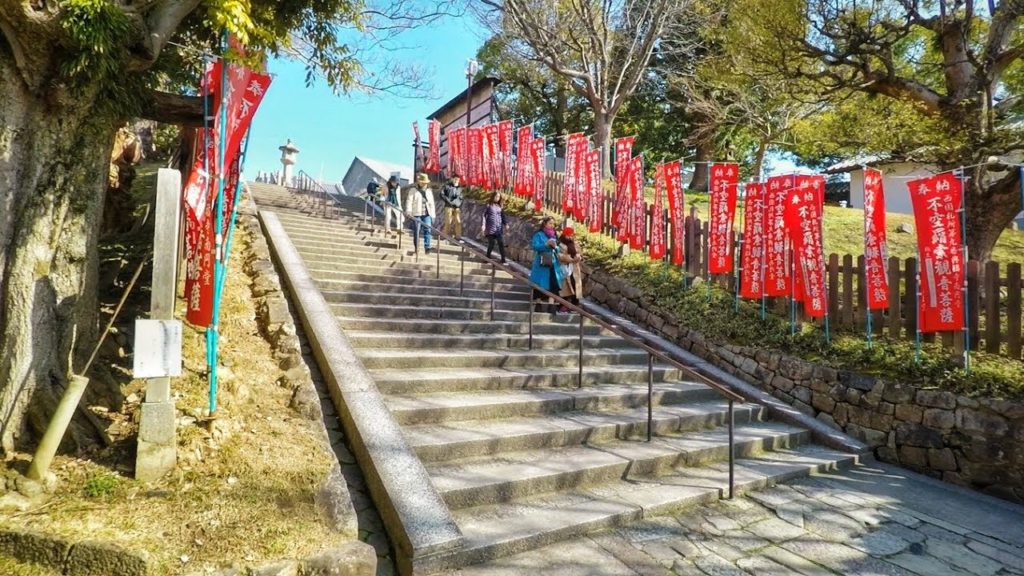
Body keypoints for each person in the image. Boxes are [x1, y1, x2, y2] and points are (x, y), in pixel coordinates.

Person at [529, 216, 563, 313]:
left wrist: (555, 247)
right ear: (544, 224)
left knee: (553, 283)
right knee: (539, 283)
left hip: (553, 263)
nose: (552, 225)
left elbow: (558, 249)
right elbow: (535, 246)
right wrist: (546, 245)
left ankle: (551, 305)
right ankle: (538, 304)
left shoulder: (554, 235)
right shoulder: (538, 234)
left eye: (553, 224)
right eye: (550, 223)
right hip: (541, 262)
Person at [404, 173, 436, 254]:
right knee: (417, 231)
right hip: (416, 213)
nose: (424, 184)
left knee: (428, 229)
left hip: (427, 213)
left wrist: (433, 215)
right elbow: (409, 201)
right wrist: (408, 211)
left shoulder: (429, 191)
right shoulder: (413, 190)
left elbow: (432, 204)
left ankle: (427, 247)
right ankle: (417, 247)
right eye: (423, 182)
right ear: (419, 182)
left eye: (425, 183)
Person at [557, 227, 583, 314]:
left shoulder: (575, 243)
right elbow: (559, 255)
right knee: (565, 288)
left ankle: (575, 305)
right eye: (569, 235)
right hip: (564, 268)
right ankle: (563, 306)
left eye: (572, 235)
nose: (571, 237)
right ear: (565, 235)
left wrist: (578, 257)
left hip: (574, 268)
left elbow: (579, 253)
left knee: (575, 286)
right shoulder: (560, 244)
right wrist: (569, 259)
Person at [481, 192, 507, 264]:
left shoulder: (500, 206)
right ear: (493, 196)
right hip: (490, 228)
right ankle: (487, 257)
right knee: (491, 243)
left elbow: (503, 216)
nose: (497, 198)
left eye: (498, 197)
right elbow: (483, 216)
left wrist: (506, 224)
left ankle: (503, 259)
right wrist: (483, 225)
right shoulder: (488, 205)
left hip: (498, 228)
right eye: (496, 196)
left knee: (501, 243)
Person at [440, 174, 464, 241]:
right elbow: (441, 194)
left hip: (457, 207)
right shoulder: (447, 186)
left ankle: (458, 237)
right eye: (455, 179)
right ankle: (445, 236)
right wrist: (448, 200)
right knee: (448, 221)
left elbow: (461, 197)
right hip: (448, 206)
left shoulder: (460, 188)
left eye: (458, 179)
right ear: (452, 179)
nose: (456, 180)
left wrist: (458, 203)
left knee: (458, 221)